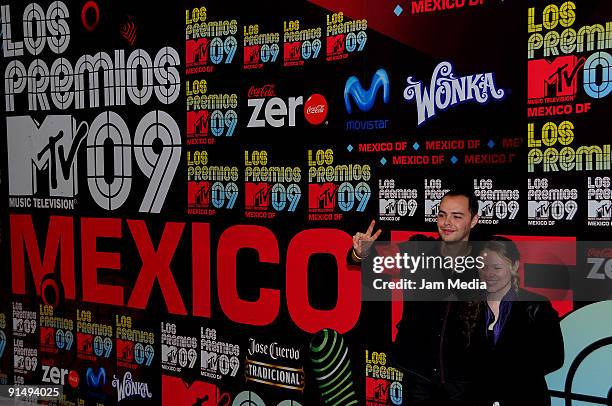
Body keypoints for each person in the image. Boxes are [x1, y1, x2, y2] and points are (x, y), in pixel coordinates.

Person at [351, 188, 485, 405]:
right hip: (417, 377)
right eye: (442, 215)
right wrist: (362, 252)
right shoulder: (417, 249)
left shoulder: (486, 259)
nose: (446, 222)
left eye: (456, 216)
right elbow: (375, 260)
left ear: (474, 220)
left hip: (464, 381)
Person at [477, 237, 564, 406]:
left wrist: (507, 376)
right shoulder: (467, 306)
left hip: (525, 398)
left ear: (514, 266)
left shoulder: (536, 305)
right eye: (483, 266)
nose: (489, 274)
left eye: (497, 267)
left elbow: (554, 357)